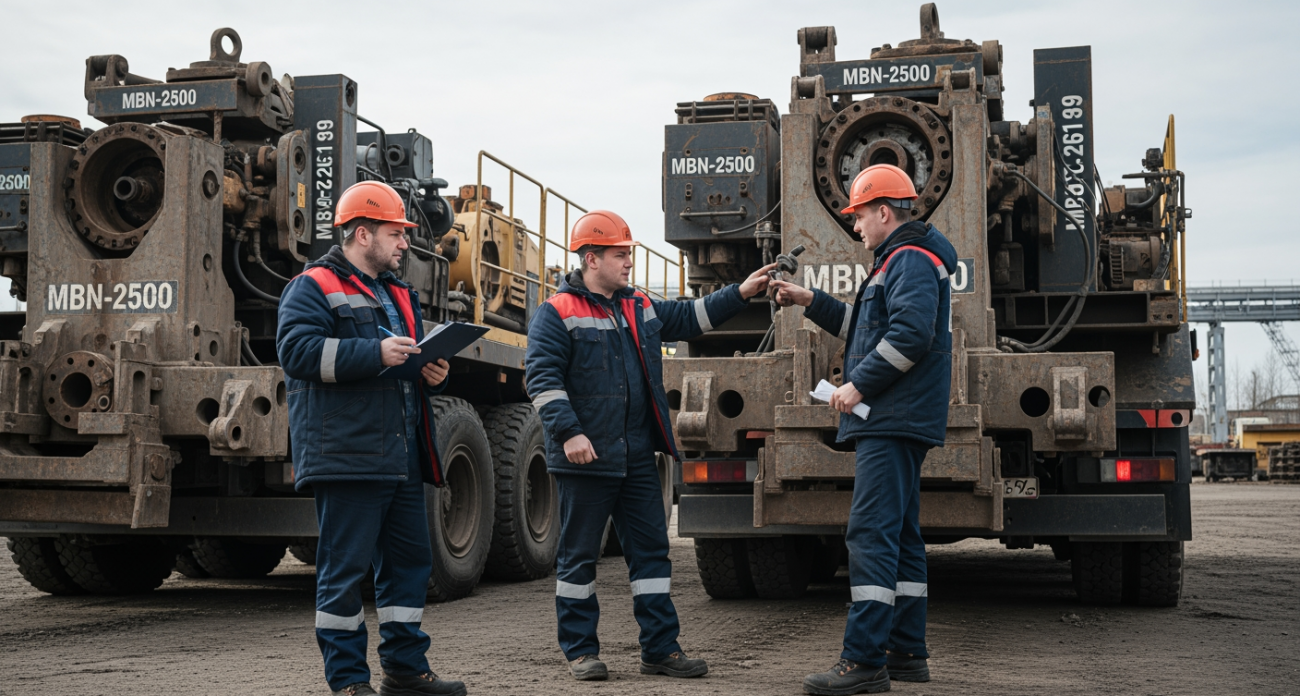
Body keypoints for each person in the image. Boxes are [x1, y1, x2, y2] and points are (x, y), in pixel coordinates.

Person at [525, 210, 775, 682]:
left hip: (636, 456)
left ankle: (660, 649)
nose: (629, 263)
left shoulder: (636, 305)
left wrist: (742, 291)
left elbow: (689, 317)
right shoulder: (556, 313)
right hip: (586, 458)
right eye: (621, 255)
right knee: (578, 558)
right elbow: (541, 380)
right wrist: (570, 433)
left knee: (652, 557)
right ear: (590, 257)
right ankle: (580, 651)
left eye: (630, 254)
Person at [770, 164, 956, 695]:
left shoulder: (910, 259)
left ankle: (865, 661)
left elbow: (910, 335)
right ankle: (905, 651)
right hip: (902, 417)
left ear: (882, 212)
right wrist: (810, 301)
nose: (854, 227)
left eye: (858, 216)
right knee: (899, 535)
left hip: (892, 416)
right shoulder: (902, 261)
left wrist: (858, 387)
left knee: (870, 533)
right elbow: (866, 328)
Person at [277, 180, 464, 696]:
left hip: (399, 454)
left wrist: (433, 372)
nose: (406, 243)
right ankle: (348, 682)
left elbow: (404, 364)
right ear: (362, 233)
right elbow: (297, 354)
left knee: (409, 567)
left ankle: (405, 671)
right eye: (395, 233)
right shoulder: (312, 286)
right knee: (345, 573)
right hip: (348, 456)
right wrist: (375, 354)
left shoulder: (398, 293)